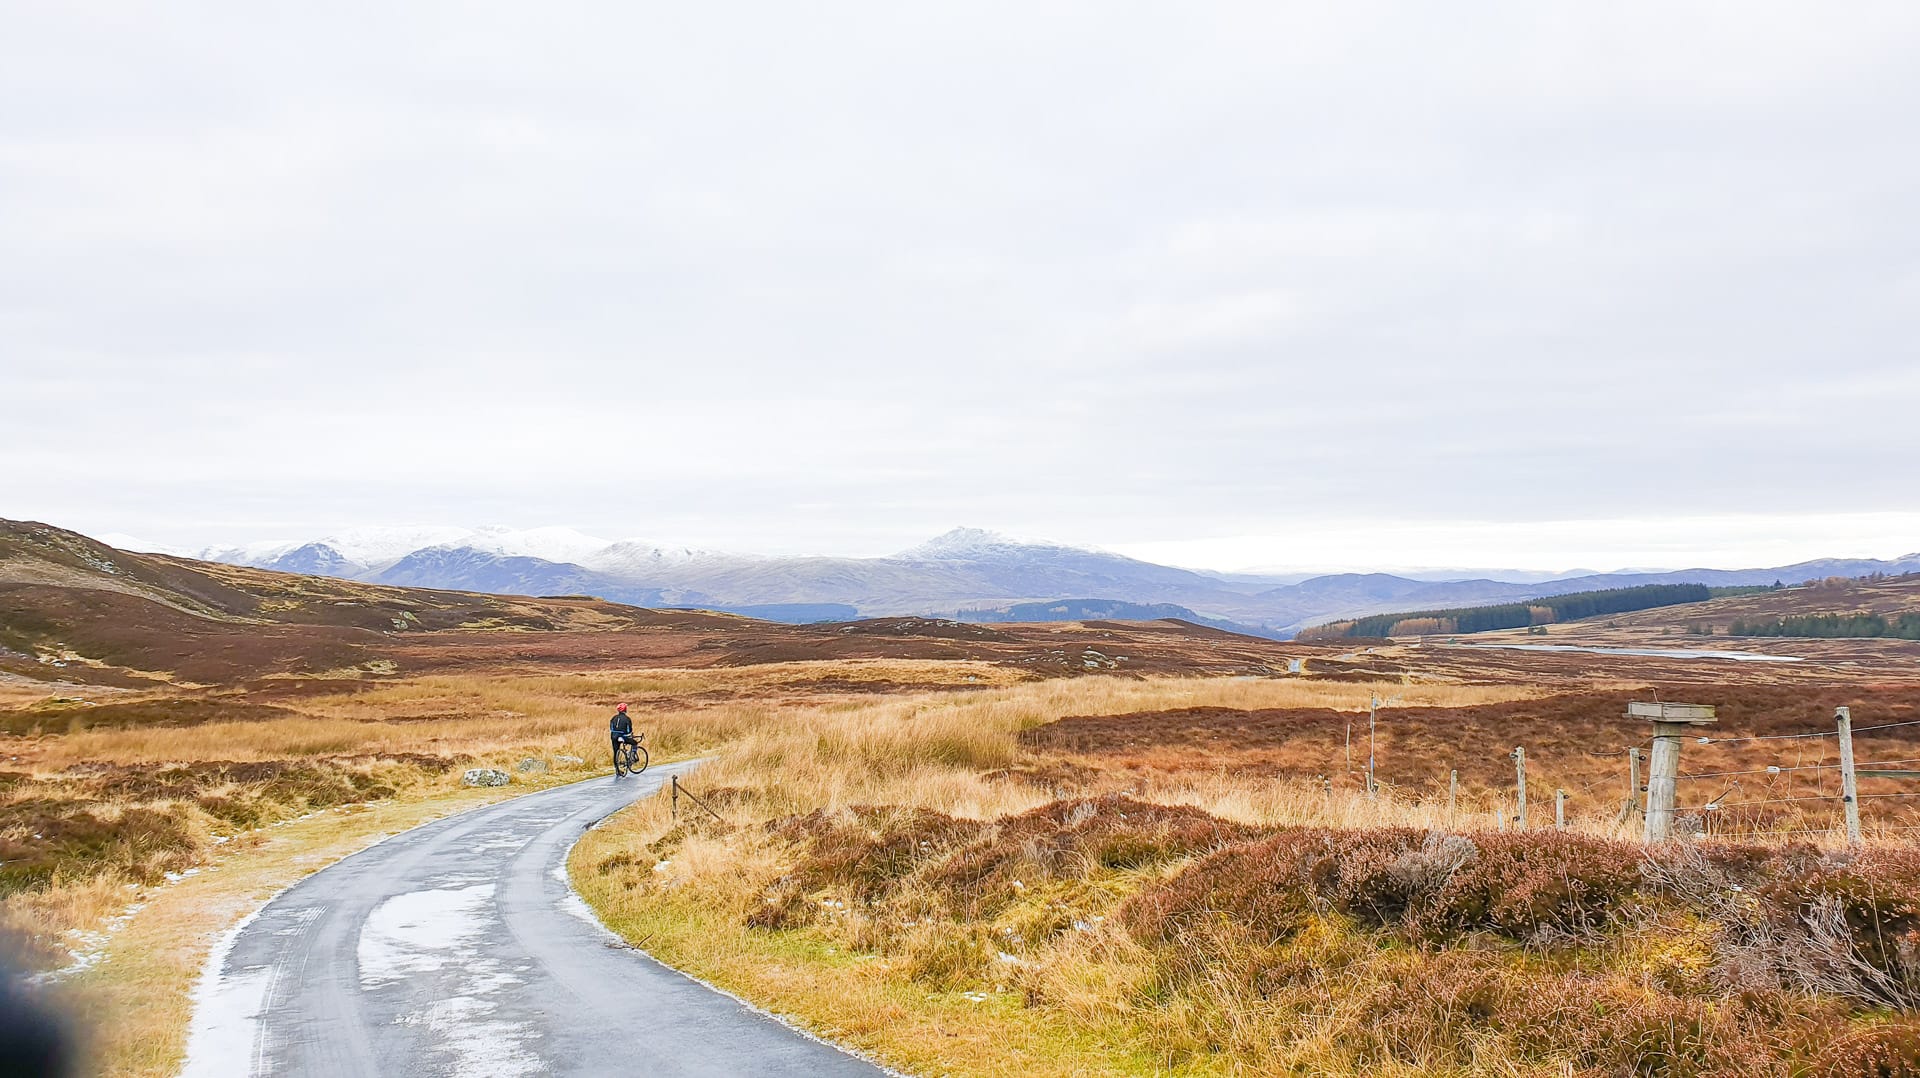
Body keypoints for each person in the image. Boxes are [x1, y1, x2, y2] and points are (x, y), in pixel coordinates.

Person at [609, 703, 637, 771]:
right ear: (625, 710)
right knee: (634, 743)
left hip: (614, 736)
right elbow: (629, 730)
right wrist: (629, 735)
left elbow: (611, 728)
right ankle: (632, 756)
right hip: (622, 736)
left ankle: (616, 768)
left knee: (616, 752)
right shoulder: (627, 719)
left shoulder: (613, 718)